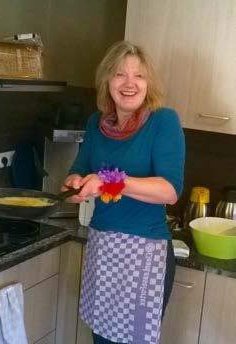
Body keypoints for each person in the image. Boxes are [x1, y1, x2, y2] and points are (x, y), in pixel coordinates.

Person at [62, 40, 185, 344]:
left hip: (144, 252)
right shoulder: (96, 124)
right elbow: (75, 172)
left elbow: (169, 190)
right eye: (119, 74)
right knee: (101, 338)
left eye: (139, 76)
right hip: (102, 248)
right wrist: (74, 185)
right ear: (107, 81)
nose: (129, 83)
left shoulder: (163, 121)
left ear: (148, 83)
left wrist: (107, 182)